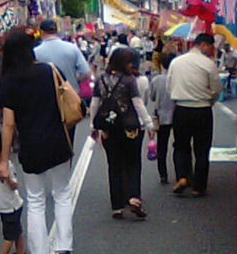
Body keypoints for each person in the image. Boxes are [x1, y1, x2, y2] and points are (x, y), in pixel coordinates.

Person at [0, 30, 74, 254]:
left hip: (30, 145)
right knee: (62, 194)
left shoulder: (8, 81)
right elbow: (70, 98)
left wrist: (3, 159)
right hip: (58, 140)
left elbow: (9, 124)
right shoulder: (50, 70)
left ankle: (39, 250)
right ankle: (64, 245)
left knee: (35, 200)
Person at [90, 48, 155, 219]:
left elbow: (95, 104)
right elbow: (138, 104)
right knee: (133, 163)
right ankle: (134, 197)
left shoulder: (101, 80)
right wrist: (149, 124)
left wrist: (93, 126)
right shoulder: (129, 80)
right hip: (130, 127)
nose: (132, 65)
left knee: (114, 166)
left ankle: (116, 206)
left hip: (109, 129)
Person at [166, 33, 222, 197]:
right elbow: (216, 89)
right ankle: (199, 186)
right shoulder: (208, 64)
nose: (211, 51)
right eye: (210, 47)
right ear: (204, 45)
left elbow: (169, 87)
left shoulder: (176, 62)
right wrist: (209, 101)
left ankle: (183, 176)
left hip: (181, 108)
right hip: (202, 109)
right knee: (202, 149)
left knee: (181, 145)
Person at [34, 19, 91, 94]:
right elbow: (85, 72)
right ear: (57, 30)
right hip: (71, 94)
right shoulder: (72, 48)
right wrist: (74, 80)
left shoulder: (36, 52)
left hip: (47, 96)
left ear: (42, 31)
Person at [149, 52, 176, 184]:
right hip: (177, 114)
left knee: (162, 146)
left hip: (161, 115)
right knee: (180, 145)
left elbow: (152, 97)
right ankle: (182, 174)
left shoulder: (156, 80)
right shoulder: (177, 79)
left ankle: (163, 174)